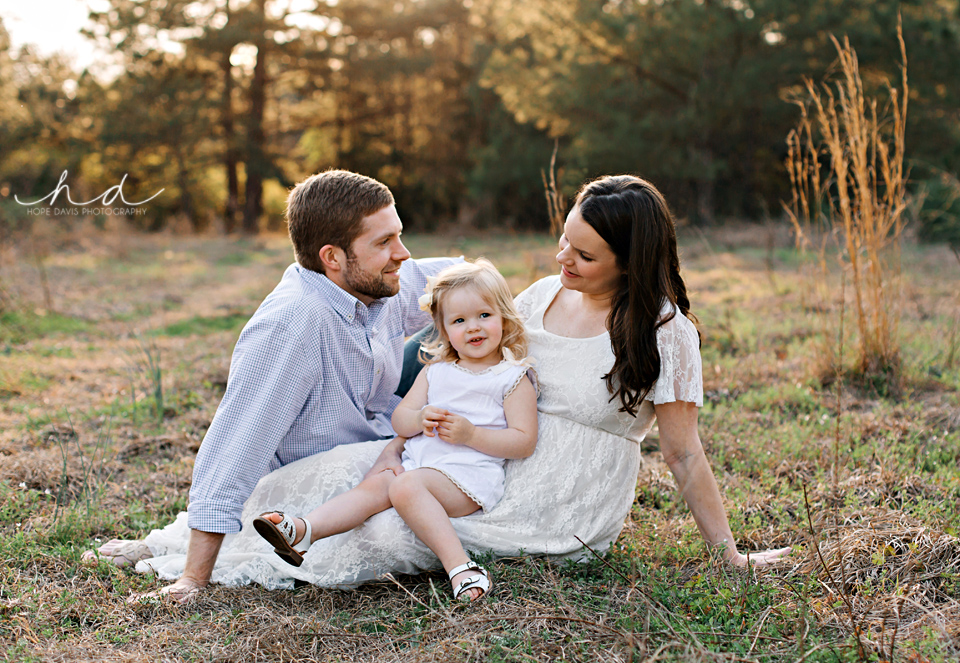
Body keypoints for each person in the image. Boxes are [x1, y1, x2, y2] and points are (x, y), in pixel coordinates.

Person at [134, 174, 788, 597]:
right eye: (563, 243)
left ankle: (223, 558)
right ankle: (194, 551)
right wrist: (419, 425)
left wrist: (728, 555)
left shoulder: (665, 333)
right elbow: (236, 439)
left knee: (383, 525)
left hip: (561, 499)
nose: (563, 262)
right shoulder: (535, 298)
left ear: (630, 261)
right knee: (345, 475)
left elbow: (684, 453)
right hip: (473, 457)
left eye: (583, 255)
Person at [84, 169, 460, 601]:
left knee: (470, 357)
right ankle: (182, 545)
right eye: (384, 243)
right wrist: (193, 578)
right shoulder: (292, 325)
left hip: (377, 437)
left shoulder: (375, 282)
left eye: (399, 235)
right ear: (332, 258)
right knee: (417, 517)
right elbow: (235, 446)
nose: (403, 253)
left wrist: (555, 271)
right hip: (316, 477)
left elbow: (464, 280)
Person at [252, 259, 538, 601]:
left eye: (484, 316)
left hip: (467, 480)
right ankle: (304, 530)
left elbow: (523, 441)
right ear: (444, 331)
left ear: (504, 317)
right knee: (374, 486)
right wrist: (420, 419)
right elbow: (400, 419)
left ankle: (462, 567)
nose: (473, 327)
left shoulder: (511, 377)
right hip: (421, 469)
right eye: (459, 321)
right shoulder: (437, 371)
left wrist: (471, 435)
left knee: (403, 484)